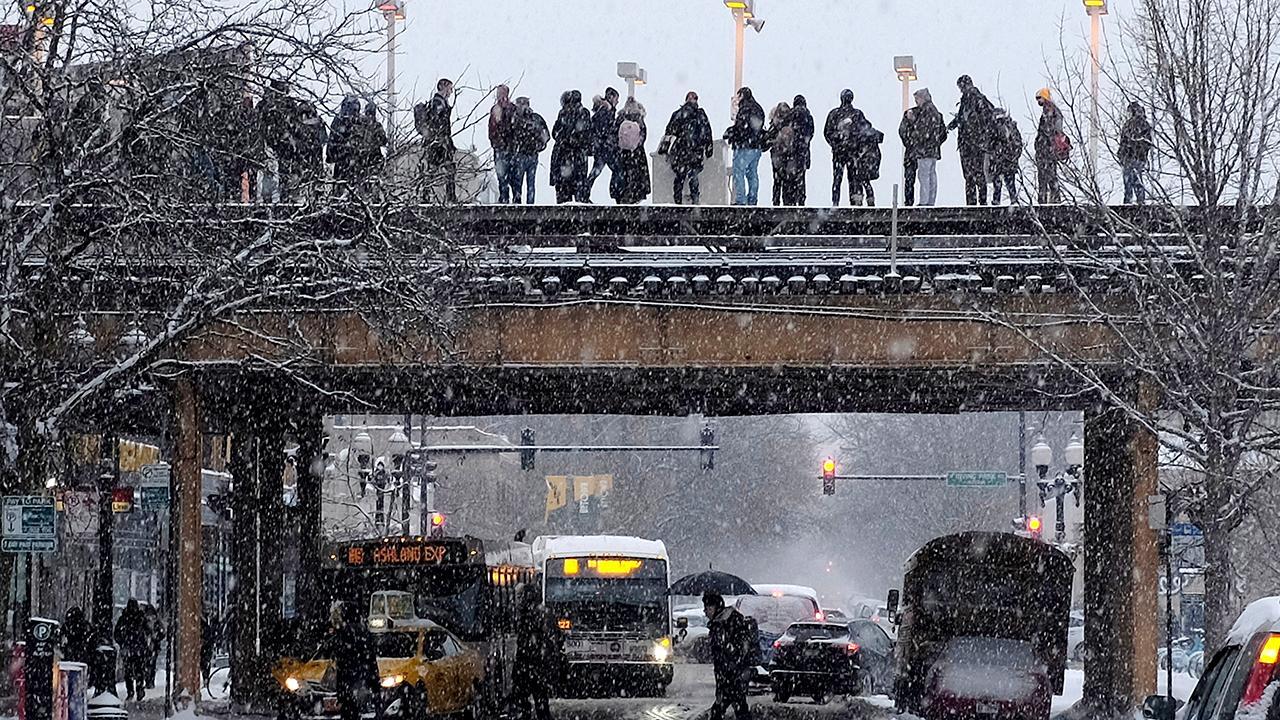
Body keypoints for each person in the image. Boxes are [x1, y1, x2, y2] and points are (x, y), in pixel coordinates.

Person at [511, 584, 562, 720]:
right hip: (536, 665)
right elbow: (555, 639)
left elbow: (528, 642)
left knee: (526, 698)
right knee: (539, 698)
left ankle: (528, 713)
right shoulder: (543, 613)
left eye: (521, 597)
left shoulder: (529, 615)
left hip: (529, 664)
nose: (519, 600)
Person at [322, 603, 379, 720]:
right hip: (362, 679)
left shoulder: (343, 633)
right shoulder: (364, 633)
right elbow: (371, 658)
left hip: (347, 681)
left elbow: (336, 655)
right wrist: (374, 681)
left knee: (349, 711)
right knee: (360, 711)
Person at [704, 592, 755, 720]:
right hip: (726, 674)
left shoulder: (730, 621)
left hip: (733, 674)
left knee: (728, 707)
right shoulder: (718, 623)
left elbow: (739, 648)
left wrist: (731, 659)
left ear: (717, 607)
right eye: (705, 608)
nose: (706, 612)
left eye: (708, 608)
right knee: (737, 706)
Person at [949, 75, 997, 205]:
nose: (961, 90)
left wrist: (979, 131)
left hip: (974, 143)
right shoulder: (967, 100)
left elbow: (988, 115)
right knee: (971, 176)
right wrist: (951, 126)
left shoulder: (977, 99)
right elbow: (961, 118)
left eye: (961, 87)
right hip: (969, 142)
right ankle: (974, 203)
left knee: (976, 175)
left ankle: (979, 203)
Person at [662, 92, 714, 205]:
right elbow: (707, 132)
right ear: (696, 101)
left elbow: (669, 131)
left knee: (680, 177)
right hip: (696, 151)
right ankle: (695, 201)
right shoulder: (700, 114)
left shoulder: (678, 114)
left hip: (680, 151)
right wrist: (709, 149)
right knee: (693, 176)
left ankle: (677, 202)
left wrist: (666, 149)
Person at [898, 88, 948, 206]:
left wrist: (912, 121)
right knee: (931, 175)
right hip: (932, 150)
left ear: (922, 98)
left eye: (917, 99)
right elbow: (942, 134)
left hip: (924, 150)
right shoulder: (936, 113)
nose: (916, 102)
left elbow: (921, 131)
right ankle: (930, 201)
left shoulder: (925, 112)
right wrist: (936, 143)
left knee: (924, 176)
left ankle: (924, 202)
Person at [415, 78, 457, 203]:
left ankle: (426, 195)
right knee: (446, 168)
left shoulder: (439, 102)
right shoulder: (438, 103)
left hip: (437, 142)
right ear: (443, 87)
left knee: (432, 169)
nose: (451, 91)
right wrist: (443, 139)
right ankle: (449, 197)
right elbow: (438, 122)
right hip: (439, 142)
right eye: (449, 88)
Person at [724, 86, 766, 206]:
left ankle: (741, 200)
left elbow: (740, 128)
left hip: (744, 146)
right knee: (752, 173)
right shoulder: (758, 108)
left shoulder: (744, 109)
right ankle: (753, 199)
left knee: (739, 171)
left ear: (742, 96)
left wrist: (731, 133)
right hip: (756, 146)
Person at [550, 90, 593, 203]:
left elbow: (556, 133)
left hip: (569, 157)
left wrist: (567, 140)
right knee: (574, 191)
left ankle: (570, 214)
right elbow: (556, 133)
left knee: (567, 192)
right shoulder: (571, 114)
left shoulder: (573, 114)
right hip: (572, 158)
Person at [824, 89, 863, 206]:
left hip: (839, 152)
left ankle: (835, 203)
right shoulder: (857, 114)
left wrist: (835, 144)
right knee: (853, 179)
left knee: (837, 178)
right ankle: (854, 203)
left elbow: (827, 133)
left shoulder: (834, 114)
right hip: (853, 152)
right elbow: (864, 131)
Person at [610, 97, 650, 204]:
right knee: (635, 177)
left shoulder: (620, 118)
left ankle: (621, 195)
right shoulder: (639, 119)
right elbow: (643, 137)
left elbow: (613, 136)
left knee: (622, 176)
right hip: (636, 155)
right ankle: (633, 195)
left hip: (622, 155)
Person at [509, 97, 549, 204]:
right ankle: (528, 204)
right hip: (528, 154)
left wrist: (538, 146)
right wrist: (539, 146)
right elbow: (546, 135)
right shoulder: (535, 118)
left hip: (523, 154)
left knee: (520, 182)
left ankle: (519, 204)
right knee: (528, 182)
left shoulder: (515, 119)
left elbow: (546, 136)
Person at [587, 87, 620, 198]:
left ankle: (584, 193)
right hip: (605, 148)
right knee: (617, 169)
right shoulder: (606, 111)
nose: (617, 101)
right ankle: (616, 193)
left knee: (596, 171)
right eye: (616, 98)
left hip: (601, 147)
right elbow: (603, 130)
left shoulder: (604, 110)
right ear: (611, 97)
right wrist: (610, 138)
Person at [115, 599, 151, 701]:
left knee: (129, 672)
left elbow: (117, 633)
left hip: (128, 649)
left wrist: (122, 642)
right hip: (139, 649)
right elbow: (148, 630)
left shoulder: (124, 618)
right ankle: (139, 690)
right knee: (139, 671)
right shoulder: (140, 617)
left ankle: (131, 692)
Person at [1034, 88, 1065, 204]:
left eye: (1039, 98)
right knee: (1051, 175)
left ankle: (1045, 200)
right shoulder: (1053, 111)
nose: (1038, 102)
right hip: (1049, 150)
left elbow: (1047, 130)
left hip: (1046, 150)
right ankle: (1054, 198)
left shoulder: (1049, 110)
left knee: (1045, 176)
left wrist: (1040, 144)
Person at [846, 110, 883, 206]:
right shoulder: (868, 129)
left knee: (859, 178)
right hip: (873, 157)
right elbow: (880, 137)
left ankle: (859, 199)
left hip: (864, 158)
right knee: (865, 180)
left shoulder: (857, 132)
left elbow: (854, 145)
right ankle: (869, 199)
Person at [1118, 101, 1153, 204]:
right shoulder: (1142, 124)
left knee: (1132, 182)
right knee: (1134, 182)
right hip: (1134, 157)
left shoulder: (1134, 124)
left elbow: (1127, 140)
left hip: (1133, 157)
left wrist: (1124, 152)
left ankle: (1132, 203)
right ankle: (1137, 202)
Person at [988, 109, 1023, 204]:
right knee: (1007, 186)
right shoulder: (1008, 127)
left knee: (1004, 186)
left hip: (1003, 161)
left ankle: (1000, 205)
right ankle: (1011, 204)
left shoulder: (1003, 128)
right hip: (1004, 162)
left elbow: (989, 145)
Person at [489, 84, 517, 203]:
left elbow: (515, 128)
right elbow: (492, 129)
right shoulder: (496, 109)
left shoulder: (511, 109)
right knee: (502, 176)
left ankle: (513, 199)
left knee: (512, 176)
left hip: (509, 148)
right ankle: (505, 198)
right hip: (501, 148)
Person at [328, 95, 363, 188]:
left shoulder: (338, 120)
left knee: (340, 194)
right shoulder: (361, 122)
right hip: (357, 167)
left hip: (341, 164)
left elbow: (331, 145)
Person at [765, 102, 795, 206]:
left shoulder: (775, 123)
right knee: (788, 180)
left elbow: (768, 139)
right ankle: (788, 202)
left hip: (776, 156)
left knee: (777, 181)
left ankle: (776, 202)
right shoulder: (791, 123)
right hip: (788, 156)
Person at [788, 95, 815, 205]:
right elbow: (811, 133)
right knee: (801, 176)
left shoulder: (791, 114)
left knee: (790, 176)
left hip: (791, 150)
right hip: (803, 150)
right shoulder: (808, 116)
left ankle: (792, 199)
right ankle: (801, 198)